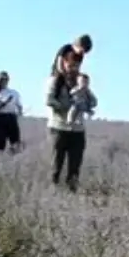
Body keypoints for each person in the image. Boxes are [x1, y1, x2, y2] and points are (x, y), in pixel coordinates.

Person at [45, 54, 88, 192]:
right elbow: (49, 100)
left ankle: (72, 193)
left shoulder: (81, 82)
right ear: (64, 64)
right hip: (58, 128)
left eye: (76, 66)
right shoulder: (55, 81)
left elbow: (92, 101)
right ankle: (53, 191)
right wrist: (67, 107)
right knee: (56, 164)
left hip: (77, 130)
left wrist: (84, 102)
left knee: (75, 166)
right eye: (70, 65)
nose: (73, 69)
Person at [0, 71, 23, 153]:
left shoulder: (14, 93)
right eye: (2, 80)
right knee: (1, 141)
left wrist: (19, 112)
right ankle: (0, 158)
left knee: (15, 141)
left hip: (11, 117)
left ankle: (13, 158)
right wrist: (5, 102)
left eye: (6, 80)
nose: (4, 82)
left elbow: (19, 105)